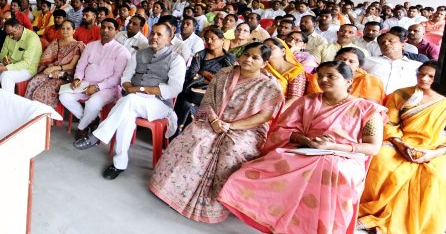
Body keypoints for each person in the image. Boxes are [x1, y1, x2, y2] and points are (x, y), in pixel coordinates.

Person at [218, 61, 386, 234]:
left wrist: (333, 146)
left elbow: (372, 147)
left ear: (348, 81)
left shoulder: (367, 109)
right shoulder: (307, 102)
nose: (323, 79)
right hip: (305, 149)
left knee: (331, 168)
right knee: (253, 171)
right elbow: (283, 130)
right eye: (320, 76)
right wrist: (307, 141)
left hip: (345, 157)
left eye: (331, 76)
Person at [151, 43, 283, 223]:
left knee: (233, 149)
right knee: (196, 137)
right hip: (212, 119)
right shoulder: (225, 73)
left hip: (246, 128)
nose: (248, 59)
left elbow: (263, 116)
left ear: (265, 63)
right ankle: (172, 191)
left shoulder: (269, 86)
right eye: (246, 54)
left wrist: (231, 127)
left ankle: (219, 203)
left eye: (255, 57)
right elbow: (208, 101)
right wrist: (214, 121)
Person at [74, 23, 185, 180]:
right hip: (133, 101)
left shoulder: (176, 59)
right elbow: (126, 77)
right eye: (152, 33)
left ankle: (97, 136)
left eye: (159, 35)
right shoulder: (139, 54)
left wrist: (139, 90)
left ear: (169, 38)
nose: (154, 37)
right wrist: (128, 86)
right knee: (127, 116)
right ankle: (119, 164)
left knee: (129, 100)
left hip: (159, 103)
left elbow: (174, 88)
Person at [358, 61, 446, 234]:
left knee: (435, 174)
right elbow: (389, 123)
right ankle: (373, 212)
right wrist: (400, 144)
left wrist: (432, 153)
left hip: (436, 147)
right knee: (381, 159)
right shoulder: (402, 94)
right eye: (421, 74)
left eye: (430, 76)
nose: (424, 78)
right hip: (401, 140)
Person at [60, 18, 131, 139]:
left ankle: (82, 127)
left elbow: (118, 78)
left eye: (110, 28)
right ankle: (92, 120)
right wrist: (77, 78)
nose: (105, 30)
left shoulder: (122, 51)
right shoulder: (91, 46)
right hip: (85, 83)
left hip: (108, 88)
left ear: (117, 31)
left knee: (92, 104)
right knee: (64, 96)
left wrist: (98, 87)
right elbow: (81, 65)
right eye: (103, 27)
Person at [174, 28, 237, 130]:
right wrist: (212, 77)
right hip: (194, 88)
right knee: (186, 103)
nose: (209, 41)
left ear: (222, 40)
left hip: (217, 92)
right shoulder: (200, 55)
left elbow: (228, 80)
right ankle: (177, 133)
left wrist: (204, 73)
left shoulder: (229, 59)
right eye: (206, 39)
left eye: (213, 38)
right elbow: (191, 74)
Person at [24, 21, 85, 106]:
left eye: (68, 28)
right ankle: (27, 109)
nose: (65, 31)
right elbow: (47, 58)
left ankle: (42, 115)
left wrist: (55, 69)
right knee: (33, 82)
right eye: (63, 28)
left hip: (66, 75)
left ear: (74, 31)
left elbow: (71, 66)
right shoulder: (56, 42)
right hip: (51, 71)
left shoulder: (77, 45)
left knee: (46, 88)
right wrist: (51, 68)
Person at [307, 47, 386, 103]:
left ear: (359, 66)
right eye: (341, 59)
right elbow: (313, 101)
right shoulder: (319, 77)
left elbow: (370, 108)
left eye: (351, 61)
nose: (345, 63)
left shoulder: (369, 80)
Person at [0, 18, 42, 91]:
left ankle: (8, 101)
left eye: (12, 33)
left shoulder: (32, 38)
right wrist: (4, 60)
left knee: (6, 76)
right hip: (10, 65)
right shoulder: (9, 37)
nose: (10, 36)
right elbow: (3, 53)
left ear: (19, 27)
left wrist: (6, 68)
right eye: (8, 34)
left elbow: (26, 63)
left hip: (27, 69)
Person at [262, 38, 306, 109]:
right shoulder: (262, 67)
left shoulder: (296, 70)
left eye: (271, 47)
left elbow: (294, 99)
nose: (267, 51)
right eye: (264, 48)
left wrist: (276, 114)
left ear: (283, 51)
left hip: (282, 109)